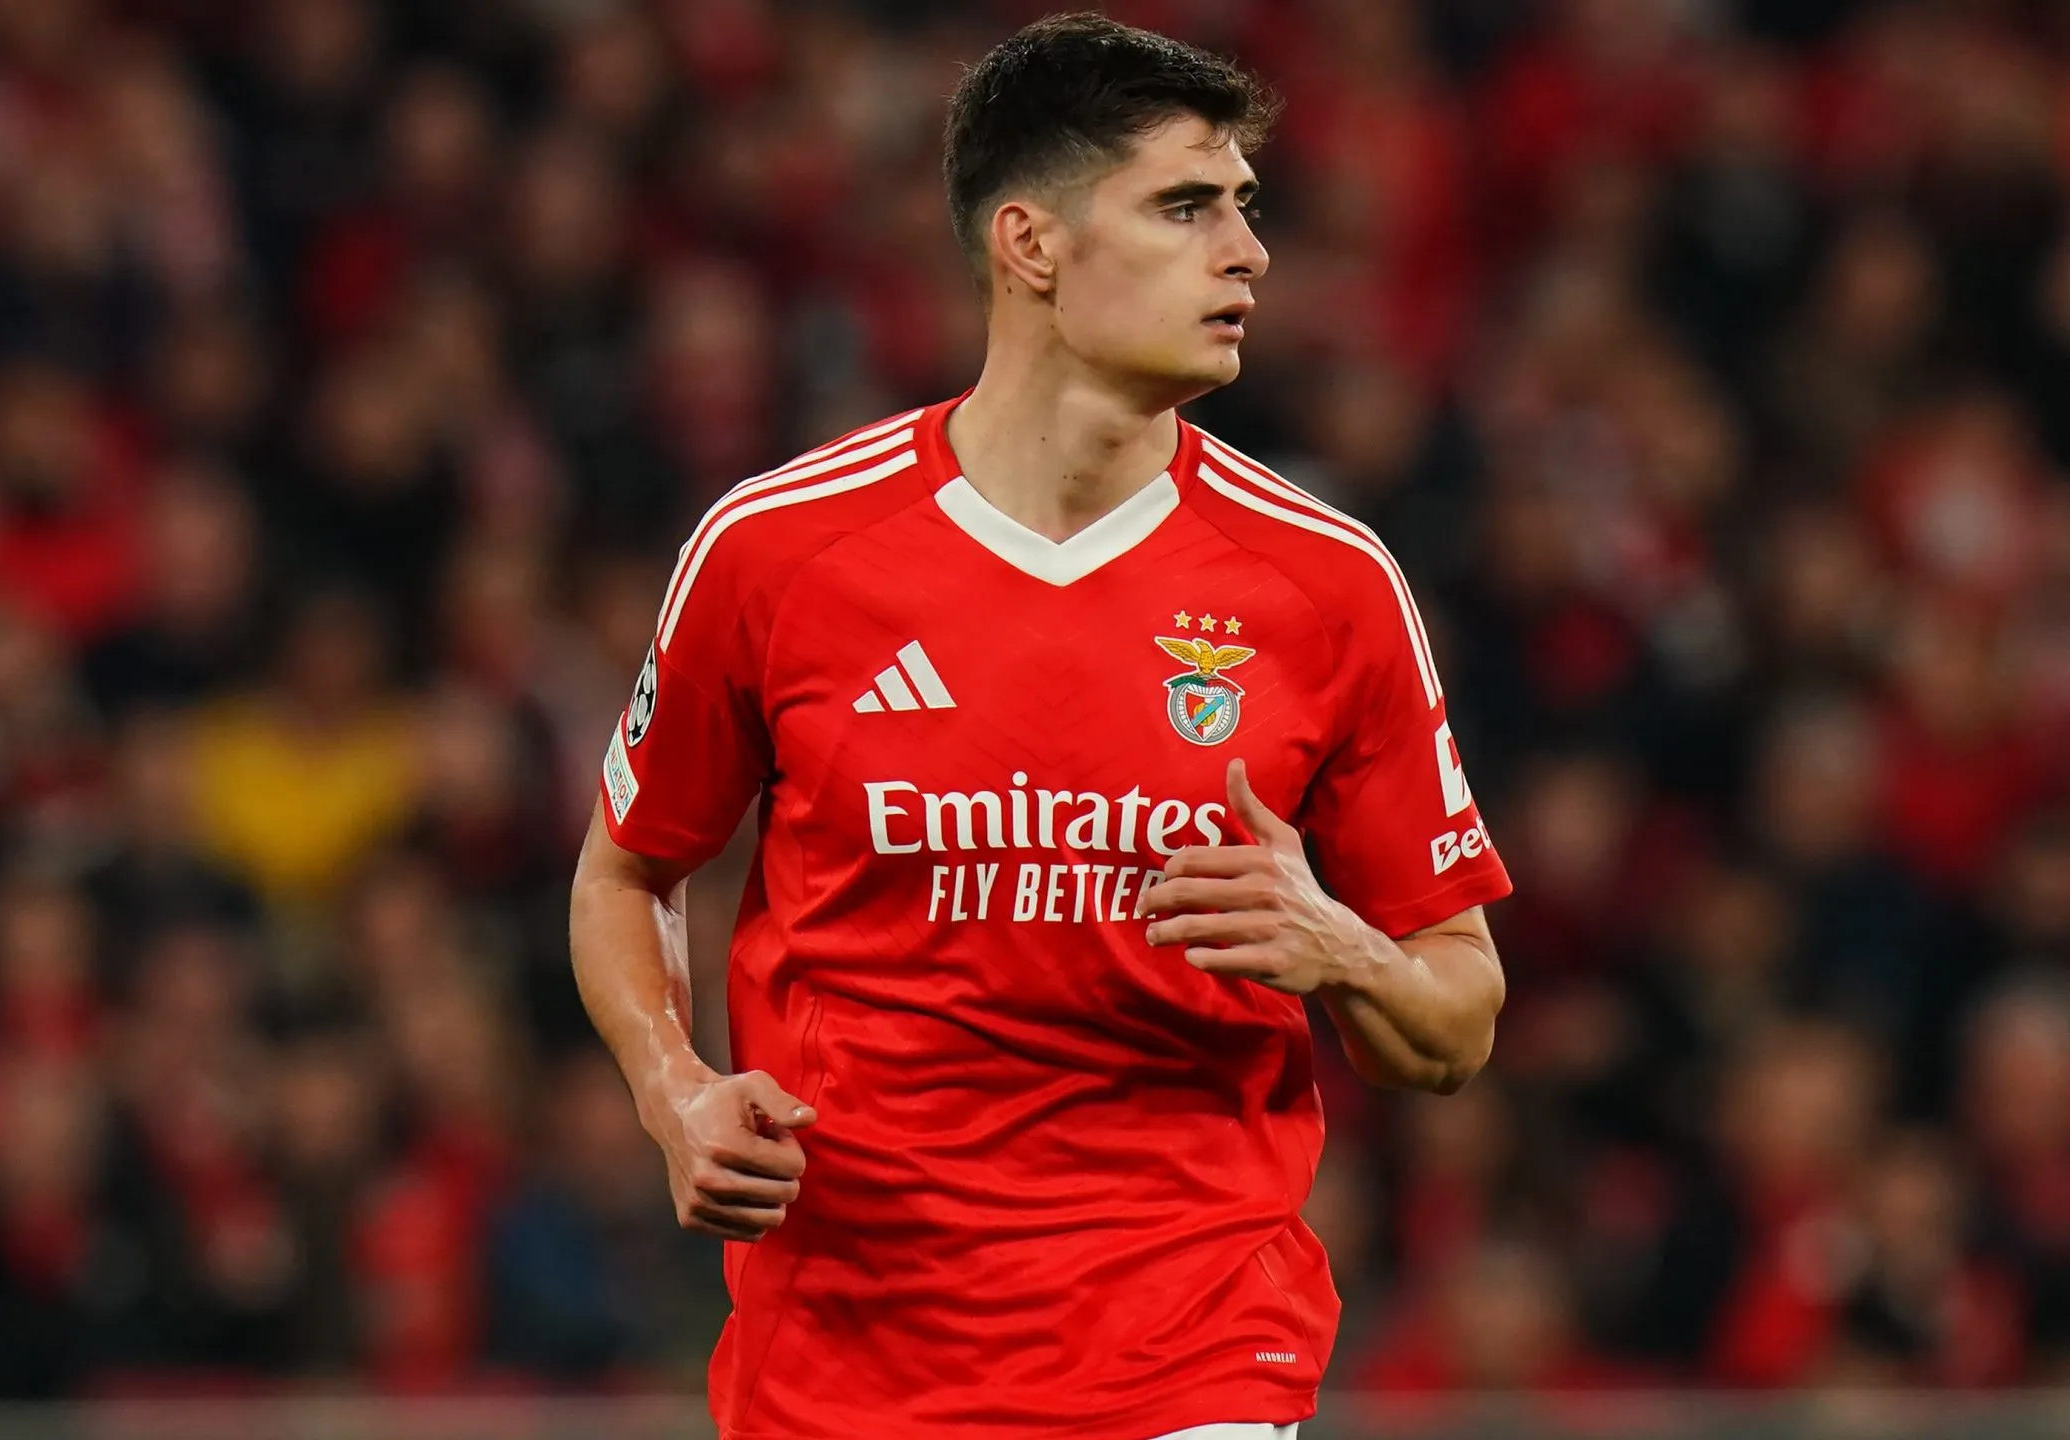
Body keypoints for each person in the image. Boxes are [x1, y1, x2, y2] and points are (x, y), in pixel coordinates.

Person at [567, 15, 1512, 1439]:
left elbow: (1457, 1016)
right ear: (1031, 243)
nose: (1249, 251)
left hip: (1191, 1353)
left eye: (1248, 208)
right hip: (843, 1359)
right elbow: (627, 871)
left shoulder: (1326, 586)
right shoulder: (780, 553)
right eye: (1187, 206)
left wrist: (1344, 948)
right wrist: (674, 1089)